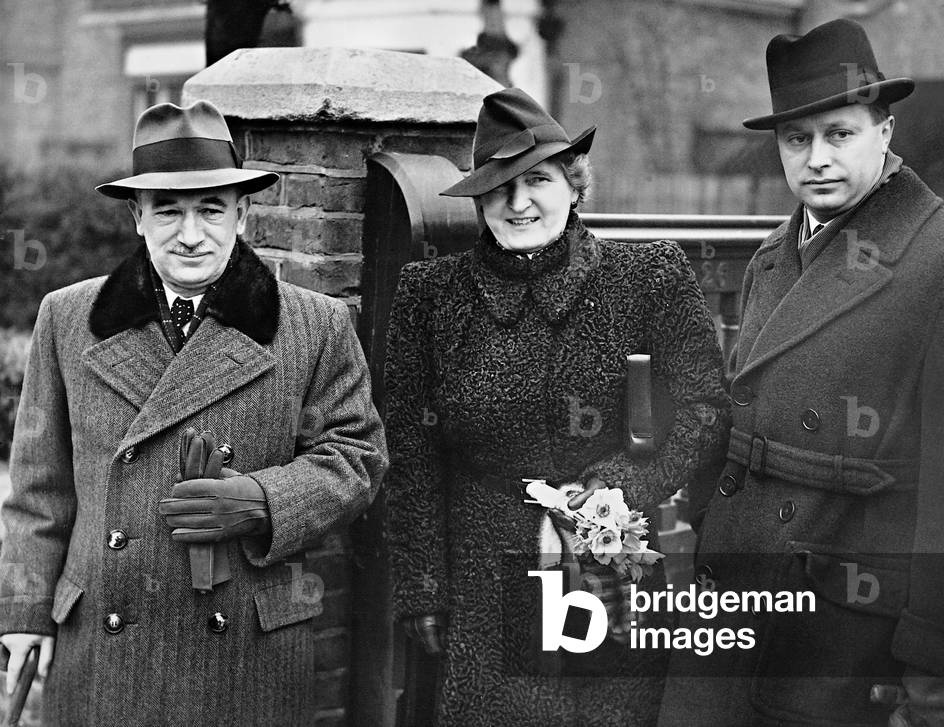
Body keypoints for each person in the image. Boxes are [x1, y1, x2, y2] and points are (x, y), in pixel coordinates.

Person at [681, 18, 944, 726]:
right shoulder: (773, 255)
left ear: (884, 131)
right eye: (796, 140)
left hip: (847, 643)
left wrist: (941, 685)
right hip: (737, 614)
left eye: (839, 134)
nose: (817, 159)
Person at [0, 100, 388, 725]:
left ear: (243, 213)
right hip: (101, 643)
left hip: (244, 648)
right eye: (168, 211)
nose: (189, 234)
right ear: (136, 217)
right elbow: (39, 490)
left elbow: (358, 459)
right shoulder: (67, 318)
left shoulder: (313, 324)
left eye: (210, 210)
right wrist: (21, 612)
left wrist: (263, 501)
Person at [384, 87, 730, 726]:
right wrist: (423, 586)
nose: (518, 203)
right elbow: (409, 455)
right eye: (498, 187)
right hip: (481, 578)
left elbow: (704, 409)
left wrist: (615, 493)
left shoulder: (646, 278)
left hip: (612, 563)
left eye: (537, 179)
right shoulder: (430, 296)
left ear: (574, 185)